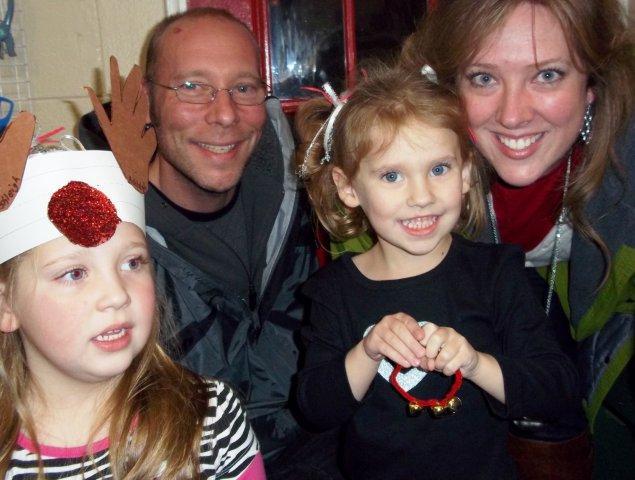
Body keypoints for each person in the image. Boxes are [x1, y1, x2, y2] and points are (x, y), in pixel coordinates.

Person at [293, 65, 580, 479]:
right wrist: (368, 350)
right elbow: (316, 408)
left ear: (465, 173)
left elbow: (556, 390)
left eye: (439, 169)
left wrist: (477, 363)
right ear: (348, 187)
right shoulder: (333, 292)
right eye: (392, 175)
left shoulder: (497, 274)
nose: (422, 196)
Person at [401, 0, 634, 477]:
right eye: (483, 78)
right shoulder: (401, 176)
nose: (511, 116)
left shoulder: (625, 168)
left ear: (592, 83)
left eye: (547, 75)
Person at [78, 8, 319, 470]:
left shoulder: (304, 197)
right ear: (147, 100)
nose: (225, 114)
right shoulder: (95, 242)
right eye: (193, 87)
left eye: (244, 88)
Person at [0, 109, 264, 477]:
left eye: (132, 263)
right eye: (74, 273)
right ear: (5, 304)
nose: (116, 295)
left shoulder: (210, 420)